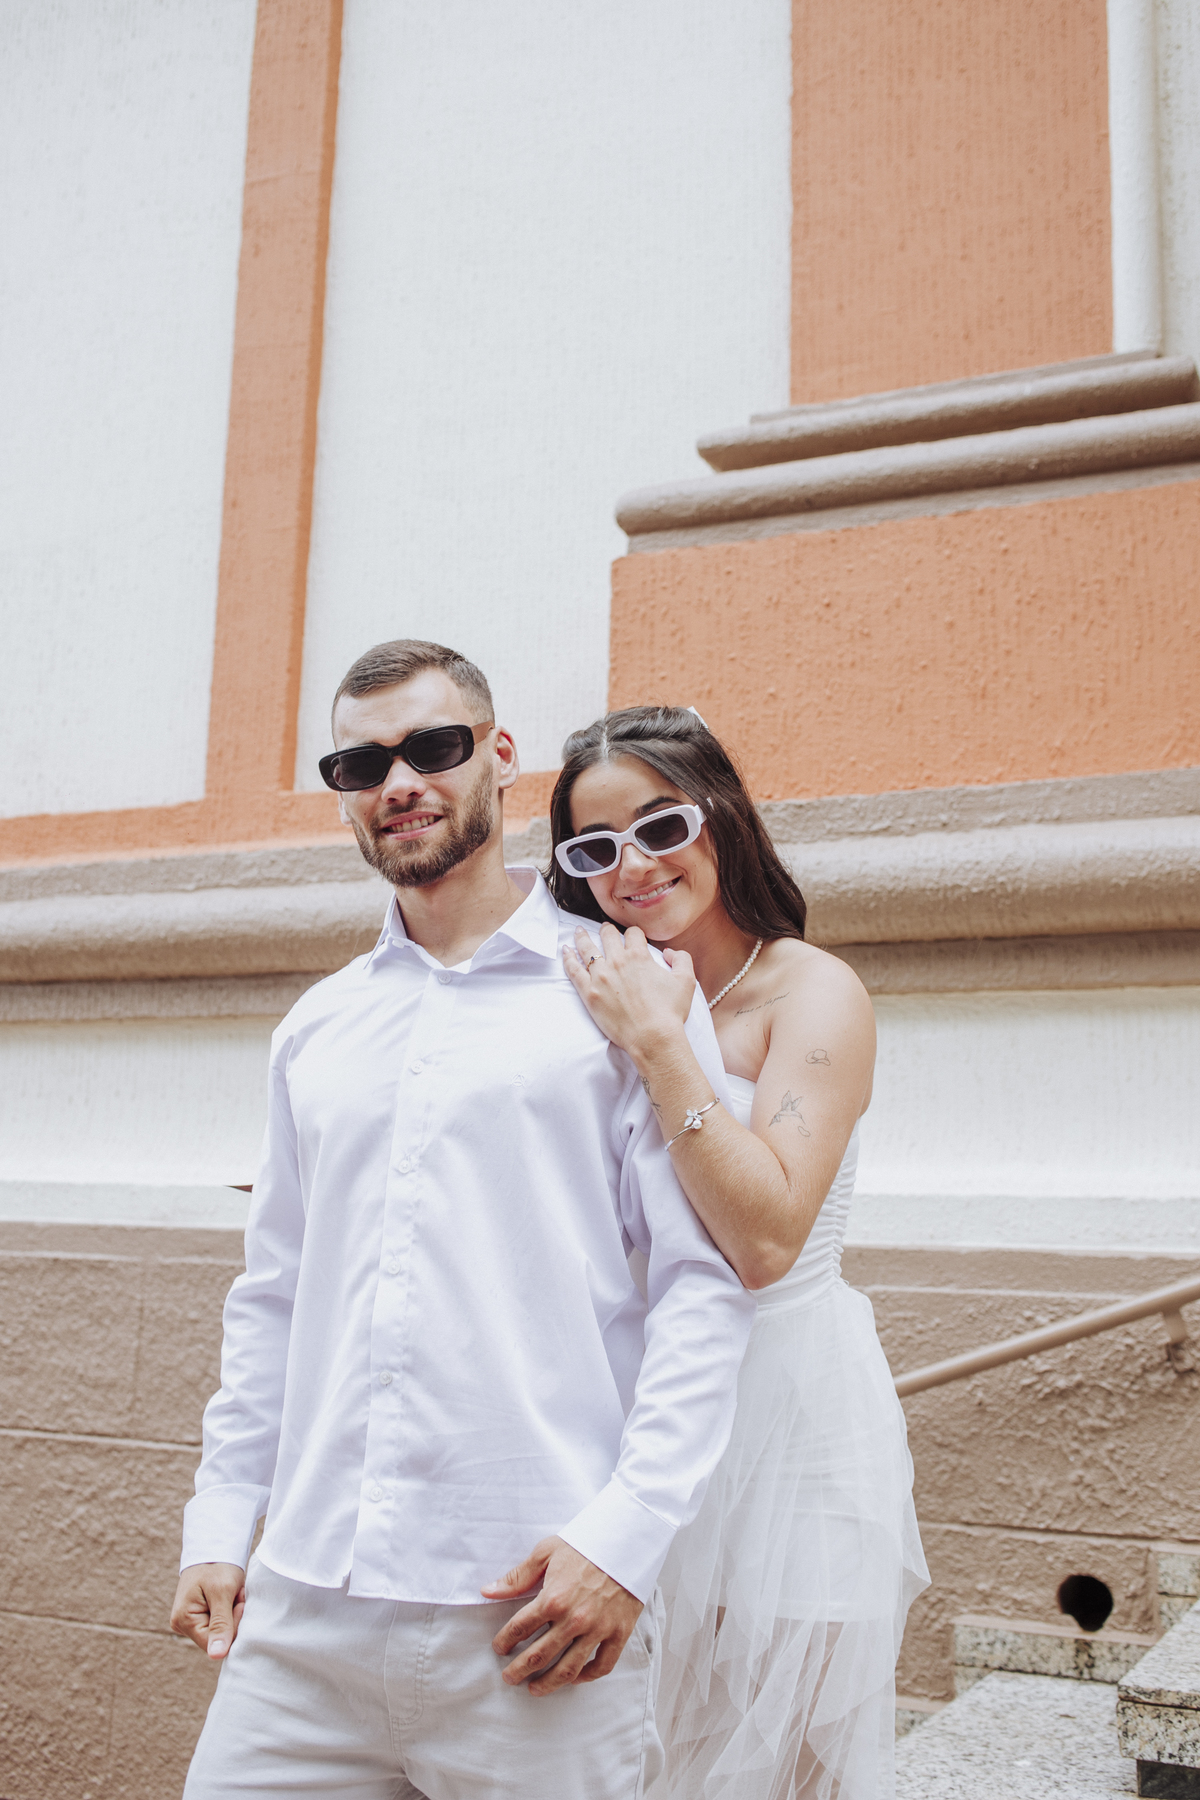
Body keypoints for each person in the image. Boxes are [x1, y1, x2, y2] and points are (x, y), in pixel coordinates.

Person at [170, 644, 756, 1800]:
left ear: (498, 755)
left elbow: (704, 1284)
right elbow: (274, 1295)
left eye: (433, 748)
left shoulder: (625, 992)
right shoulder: (316, 1029)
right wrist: (221, 1517)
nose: (400, 783)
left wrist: (627, 1540)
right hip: (304, 1613)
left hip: (536, 1607)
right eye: (362, 764)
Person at [546, 705, 929, 1800]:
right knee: (632, 1762)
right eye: (595, 849)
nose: (633, 867)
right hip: (638, 1423)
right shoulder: (586, 993)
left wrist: (661, 1042)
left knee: (787, 1771)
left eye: (660, 827)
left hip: (792, 1432)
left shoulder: (812, 993)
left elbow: (765, 1239)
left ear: (721, 818)